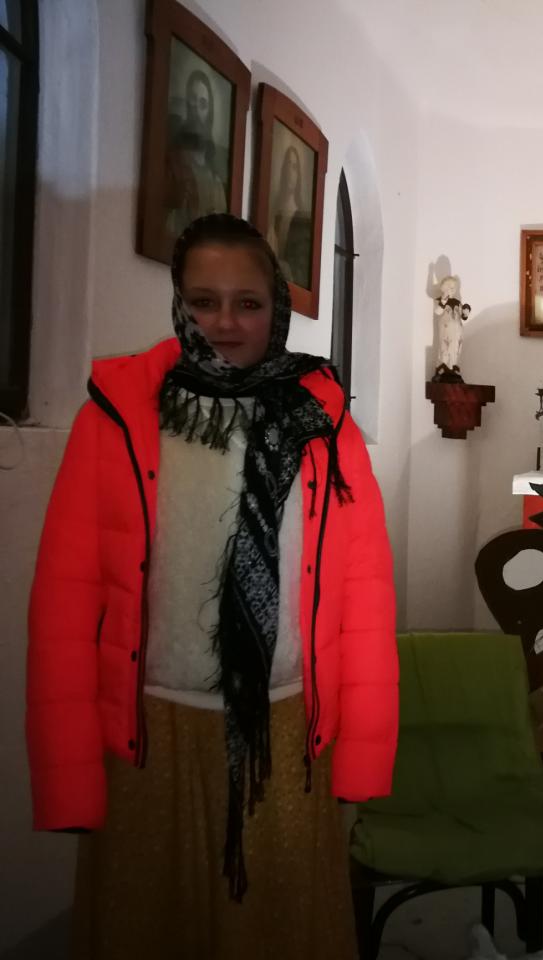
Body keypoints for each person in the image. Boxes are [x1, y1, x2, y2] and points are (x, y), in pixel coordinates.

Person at [27, 213, 399, 958]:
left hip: (285, 732)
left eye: (247, 303)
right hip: (148, 734)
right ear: (179, 302)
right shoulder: (115, 419)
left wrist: (361, 760)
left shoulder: (324, 425)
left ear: (277, 307)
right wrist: (67, 775)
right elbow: (65, 605)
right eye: (204, 301)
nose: (225, 323)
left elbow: (364, 602)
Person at [164, 70, 227, 239]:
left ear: (209, 111)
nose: (196, 111)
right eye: (192, 102)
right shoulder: (174, 162)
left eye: (202, 104)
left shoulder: (216, 180)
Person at [268, 146, 312, 286]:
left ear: (298, 174)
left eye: (294, 167)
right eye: (287, 165)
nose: (289, 172)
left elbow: (298, 272)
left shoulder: (301, 219)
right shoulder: (274, 211)